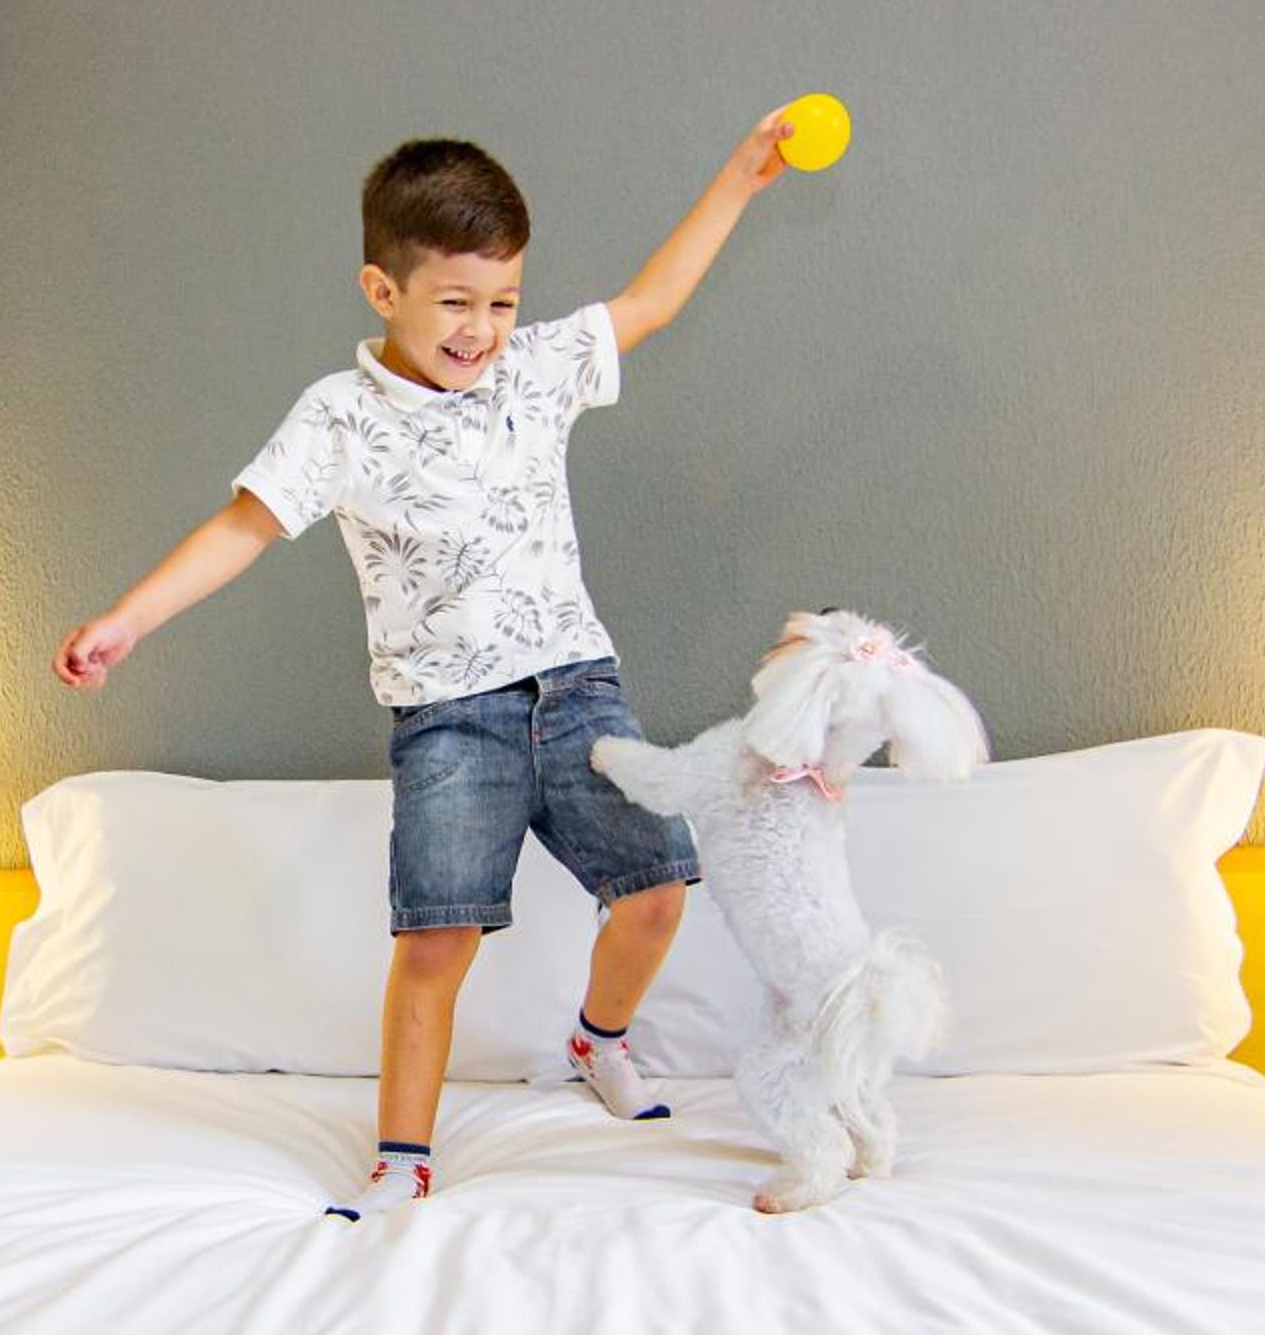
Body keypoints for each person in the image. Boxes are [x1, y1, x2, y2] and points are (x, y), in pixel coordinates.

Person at [53, 110, 809, 1217]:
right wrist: (128, 619)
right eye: (456, 302)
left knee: (656, 893)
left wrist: (742, 176)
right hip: (451, 718)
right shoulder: (340, 418)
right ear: (384, 290)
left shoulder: (535, 370)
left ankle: (598, 1039)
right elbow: (243, 527)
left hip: (576, 686)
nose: (483, 329)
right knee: (437, 937)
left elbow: (650, 302)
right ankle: (402, 1153)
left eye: (503, 301)